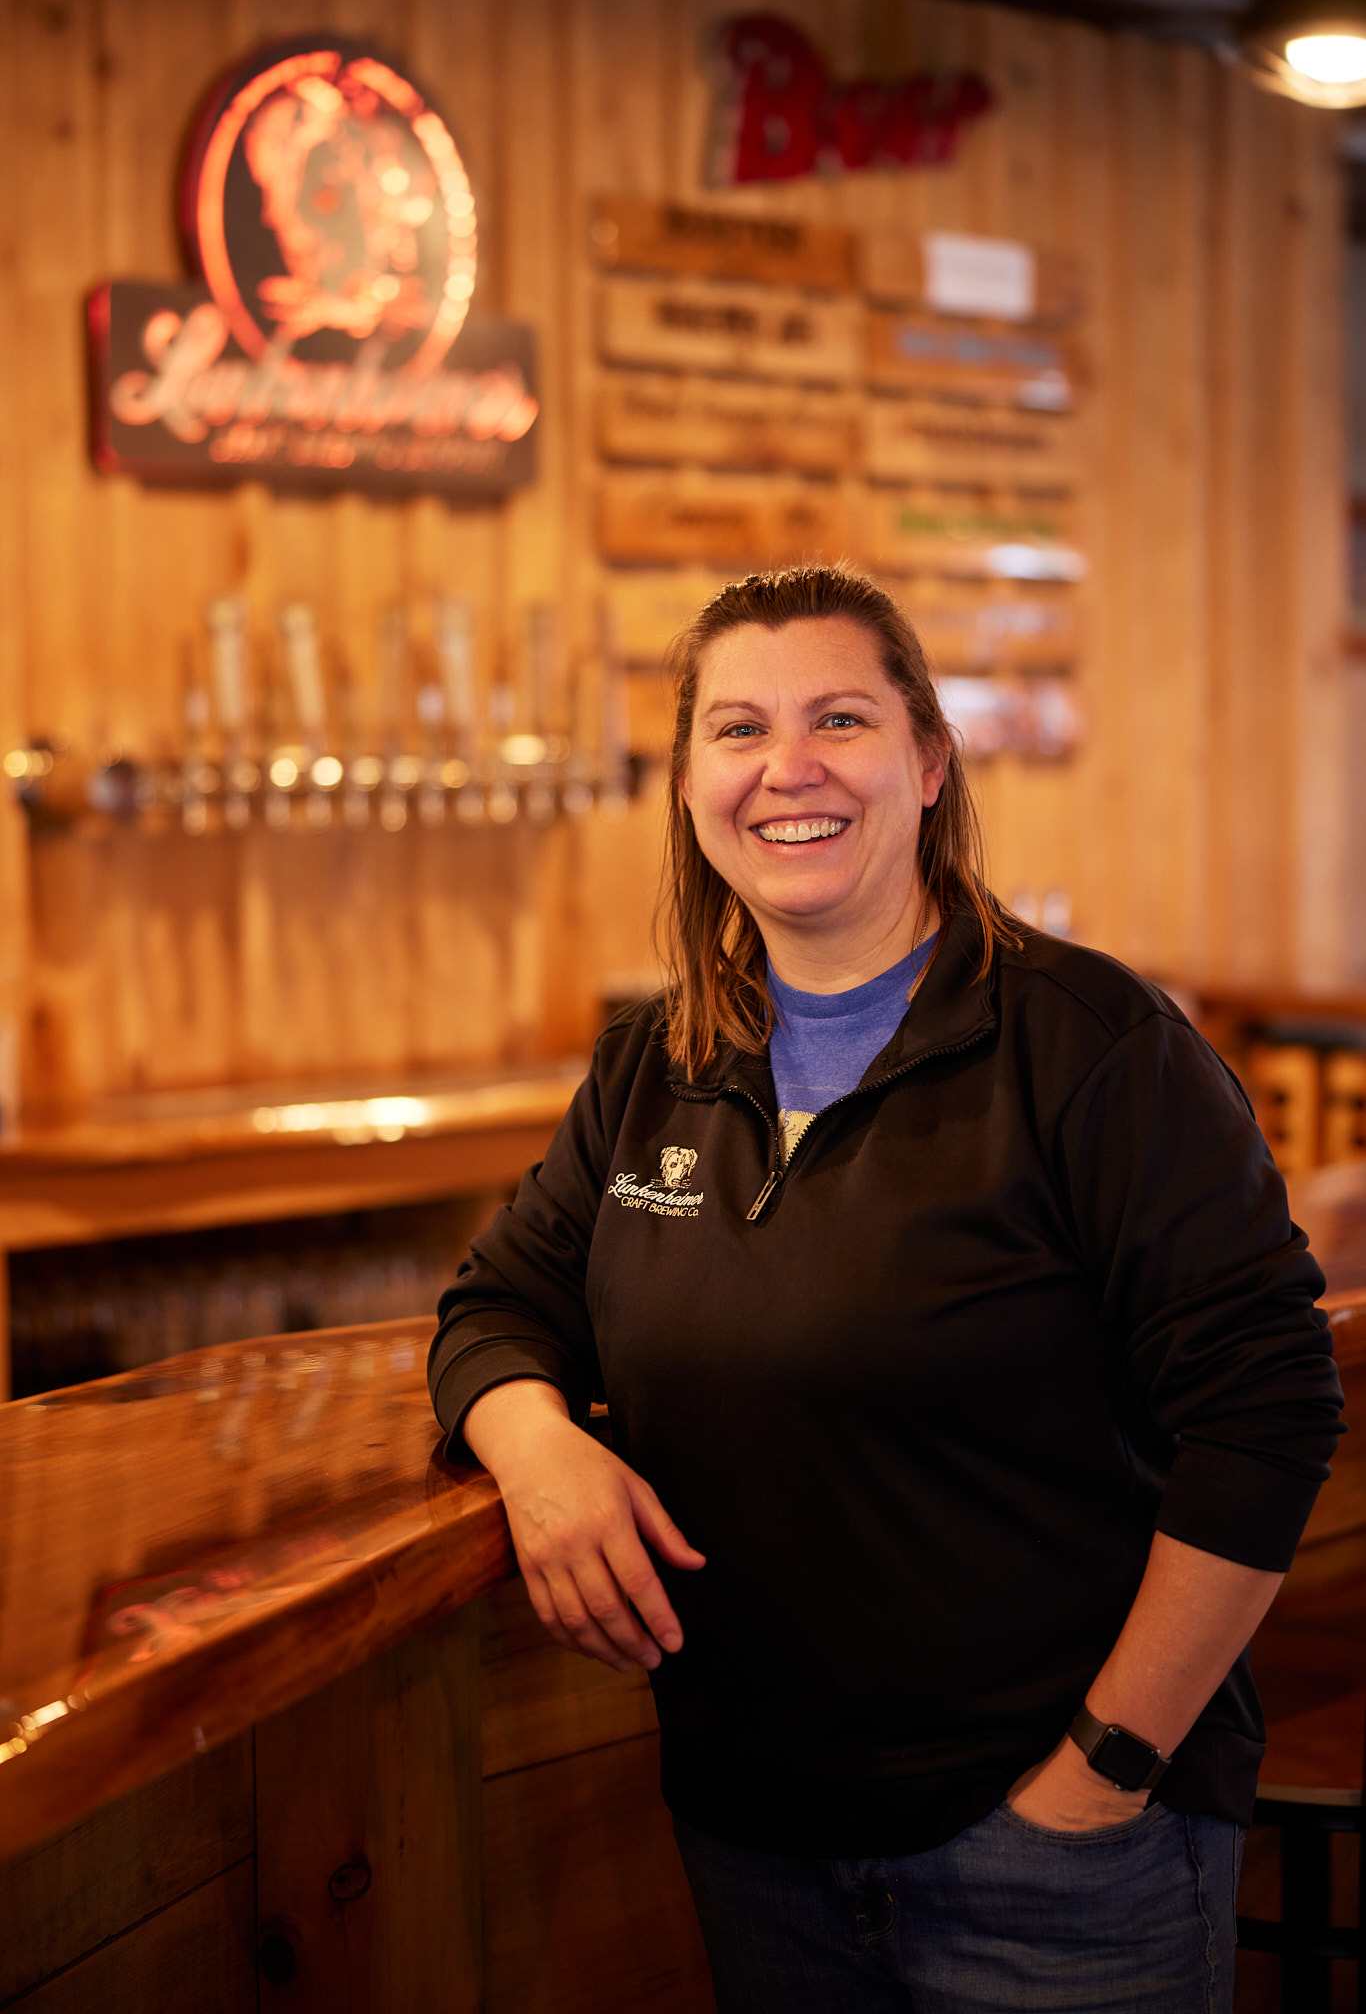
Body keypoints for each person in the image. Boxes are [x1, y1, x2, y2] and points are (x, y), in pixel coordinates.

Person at [428, 565, 1342, 2013]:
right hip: (754, 1839)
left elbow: (1267, 1406)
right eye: (736, 731)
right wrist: (535, 1451)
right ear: (685, 784)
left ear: (926, 763)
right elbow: (495, 1306)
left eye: (838, 719)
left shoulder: (1092, 1048)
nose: (784, 770)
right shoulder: (655, 1063)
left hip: (1049, 1850)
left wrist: (1104, 1767)